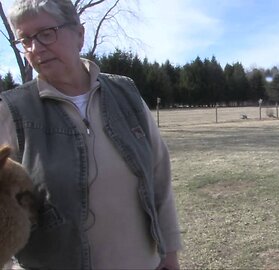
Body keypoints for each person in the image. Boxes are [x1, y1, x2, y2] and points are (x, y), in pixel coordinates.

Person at [0, 0, 182, 269]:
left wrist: (169, 251)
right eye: (25, 40)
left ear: (79, 35)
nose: (36, 48)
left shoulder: (126, 94)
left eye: (46, 33)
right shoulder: (11, 110)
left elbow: (159, 175)